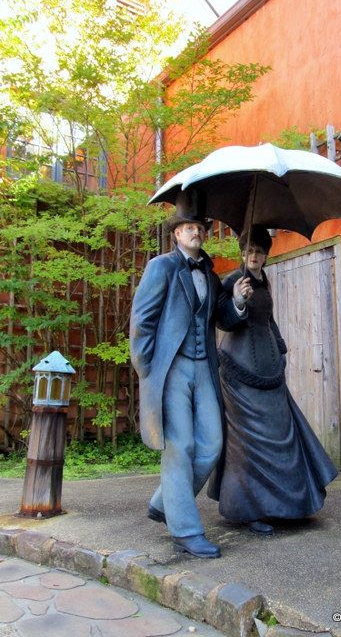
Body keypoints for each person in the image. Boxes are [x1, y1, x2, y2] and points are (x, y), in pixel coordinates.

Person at [129, 190, 253, 558]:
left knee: (212, 445)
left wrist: (240, 301)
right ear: (176, 234)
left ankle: (164, 502)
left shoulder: (211, 276)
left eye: (199, 227)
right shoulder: (161, 267)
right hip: (171, 370)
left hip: (205, 369)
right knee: (179, 447)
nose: (195, 232)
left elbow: (223, 319)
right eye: (188, 227)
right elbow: (141, 322)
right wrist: (148, 369)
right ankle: (184, 529)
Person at [208, 225, 338, 535]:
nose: (254, 255)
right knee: (248, 444)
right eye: (249, 250)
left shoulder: (264, 281)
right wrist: (238, 301)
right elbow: (221, 318)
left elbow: (268, 319)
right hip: (239, 375)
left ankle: (285, 505)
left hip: (270, 372)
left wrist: (280, 347)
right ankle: (246, 509)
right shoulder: (232, 281)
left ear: (266, 254)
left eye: (260, 251)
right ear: (242, 252)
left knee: (282, 433)